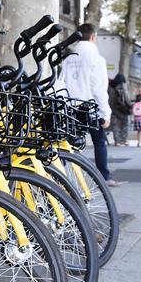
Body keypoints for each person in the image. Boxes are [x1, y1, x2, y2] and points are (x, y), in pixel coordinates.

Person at [59, 23, 120, 186]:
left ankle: (63, 178)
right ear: (93, 37)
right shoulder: (97, 58)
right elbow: (98, 87)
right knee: (99, 141)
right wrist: (105, 113)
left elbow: (61, 82)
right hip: (90, 107)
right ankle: (104, 177)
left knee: (68, 144)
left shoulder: (69, 58)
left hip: (71, 106)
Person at [108, 73, 131, 146]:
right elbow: (126, 98)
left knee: (115, 125)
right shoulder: (122, 86)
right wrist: (130, 106)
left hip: (113, 109)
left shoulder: (110, 87)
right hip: (122, 108)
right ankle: (124, 140)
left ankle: (117, 141)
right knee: (125, 124)